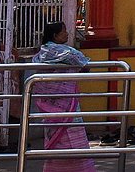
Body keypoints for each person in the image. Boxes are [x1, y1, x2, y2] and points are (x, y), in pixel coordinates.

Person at [31, 21, 96, 172]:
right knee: (72, 136)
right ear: (55, 36)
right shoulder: (66, 52)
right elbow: (84, 65)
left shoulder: (41, 53)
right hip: (66, 104)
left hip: (50, 107)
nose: (67, 34)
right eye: (64, 31)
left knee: (56, 137)